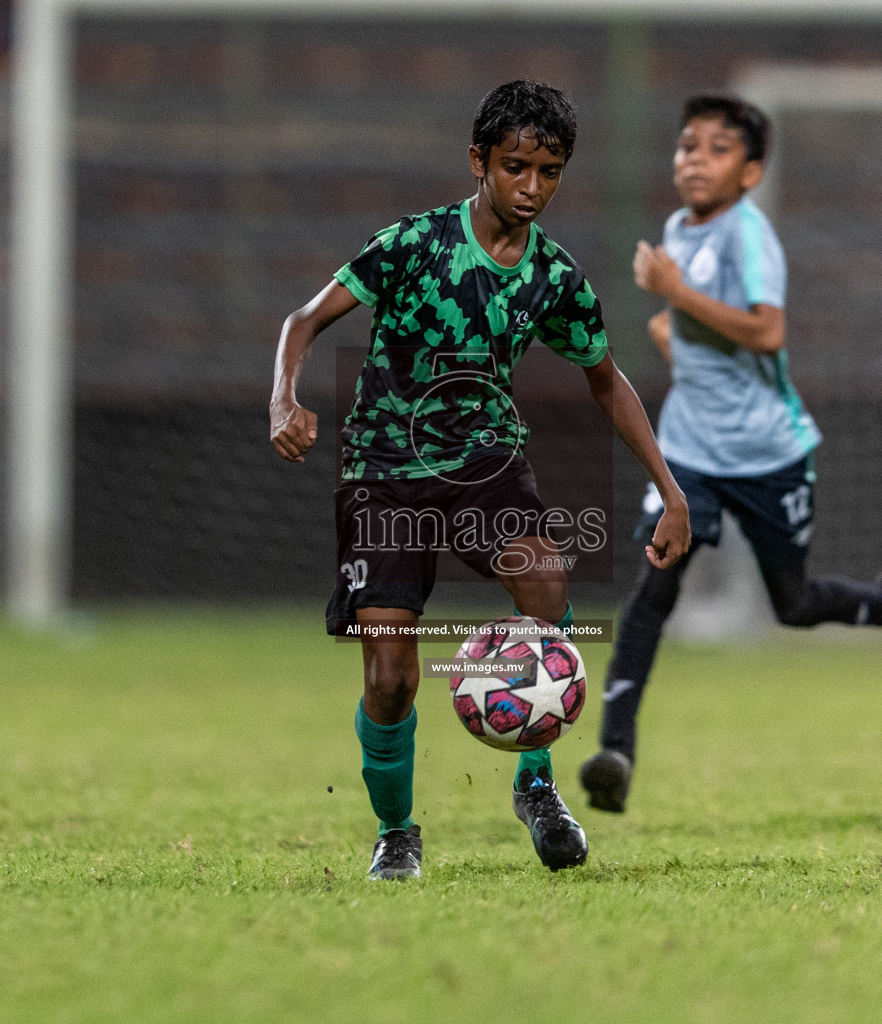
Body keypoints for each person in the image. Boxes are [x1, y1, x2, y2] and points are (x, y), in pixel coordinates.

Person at [269, 80, 691, 879]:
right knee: (391, 677)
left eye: (550, 171)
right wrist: (282, 397)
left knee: (543, 578)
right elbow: (305, 319)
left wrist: (670, 489)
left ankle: (536, 787)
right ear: (479, 161)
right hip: (385, 471)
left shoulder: (555, 278)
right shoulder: (413, 244)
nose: (532, 188)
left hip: (484, 462)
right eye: (515, 167)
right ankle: (397, 832)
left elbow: (607, 378)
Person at [577, 95, 882, 815]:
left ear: (750, 172)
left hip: (767, 452)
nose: (695, 160)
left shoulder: (749, 235)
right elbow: (709, 333)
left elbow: (767, 333)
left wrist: (677, 297)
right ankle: (615, 750)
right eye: (686, 146)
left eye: (716, 148)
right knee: (657, 578)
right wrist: (675, 335)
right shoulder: (679, 229)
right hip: (688, 452)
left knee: (793, 605)